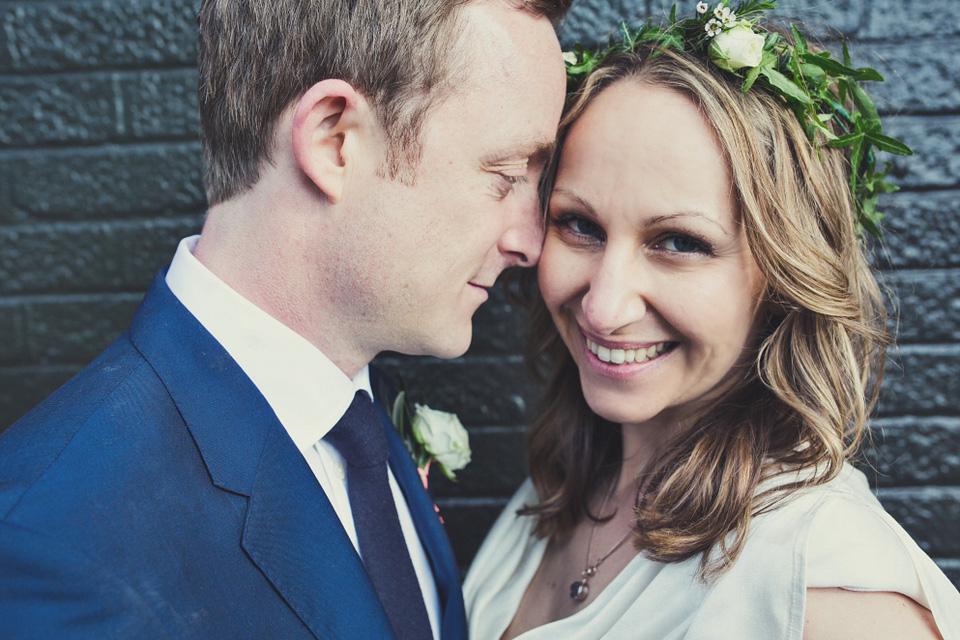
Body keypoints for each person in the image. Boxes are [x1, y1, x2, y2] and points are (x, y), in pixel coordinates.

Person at [0, 0, 569, 637]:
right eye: (506, 174)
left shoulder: (357, 426)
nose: (531, 241)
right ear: (334, 141)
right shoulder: (48, 545)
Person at [463, 4, 960, 639]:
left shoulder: (827, 596)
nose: (603, 307)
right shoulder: (557, 494)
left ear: (785, 273)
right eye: (579, 225)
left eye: (678, 243)